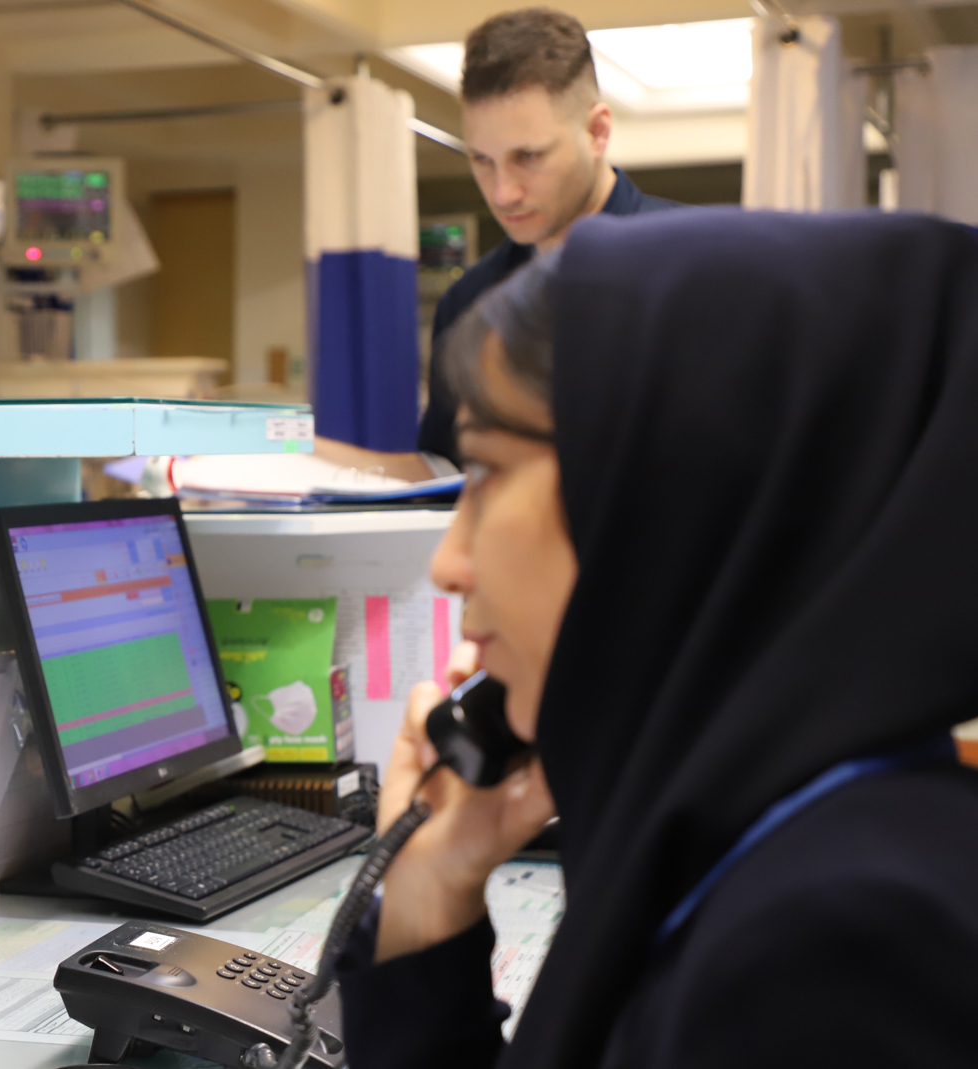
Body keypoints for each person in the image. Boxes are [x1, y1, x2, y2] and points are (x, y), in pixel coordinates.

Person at [334, 208, 978, 1068]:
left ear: (673, 489)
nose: (449, 562)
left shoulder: (836, 946)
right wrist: (426, 889)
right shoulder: (751, 829)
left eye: (486, 470)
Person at [315, 7, 674, 482]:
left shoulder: (693, 267)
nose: (503, 193)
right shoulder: (471, 301)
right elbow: (449, 474)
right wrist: (313, 462)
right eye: (482, 160)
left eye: (528, 156)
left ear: (597, 132)